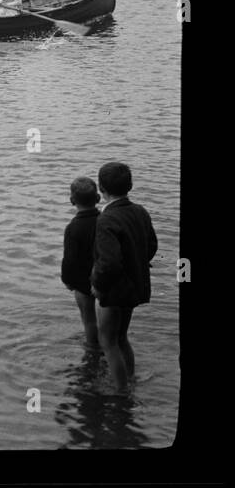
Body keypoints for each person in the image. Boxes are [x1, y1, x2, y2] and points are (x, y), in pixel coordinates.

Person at [90, 161, 159, 389]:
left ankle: (120, 392)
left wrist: (97, 286)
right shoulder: (140, 211)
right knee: (122, 337)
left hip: (114, 290)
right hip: (133, 285)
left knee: (107, 341)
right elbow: (151, 245)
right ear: (129, 185)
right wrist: (137, 264)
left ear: (101, 189)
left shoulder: (106, 219)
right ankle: (129, 379)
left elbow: (108, 262)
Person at [59, 177, 101, 346]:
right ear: (98, 198)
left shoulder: (73, 227)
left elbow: (70, 259)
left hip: (83, 280)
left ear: (72, 200)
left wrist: (67, 280)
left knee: (88, 317)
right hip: (105, 274)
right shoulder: (106, 220)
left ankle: (92, 349)